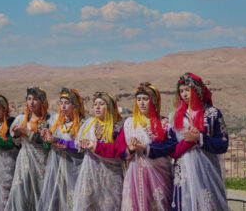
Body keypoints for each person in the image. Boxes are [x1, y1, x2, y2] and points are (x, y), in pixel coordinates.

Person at [82, 82, 176, 211]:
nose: (141, 103)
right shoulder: (130, 123)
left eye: (145, 99)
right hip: (135, 176)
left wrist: (145, 148)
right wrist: (130, 149)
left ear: (153, 101)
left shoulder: (165, 123)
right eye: (139, 100)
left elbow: (170, 146)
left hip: (159, 175)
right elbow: (120, 152)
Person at [169, 73, 229, 211]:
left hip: (207, 171)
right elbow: (171, 149)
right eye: (181, 91)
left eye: (187, 90)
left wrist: (199, 139)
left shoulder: (213, 113)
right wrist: (186, 142)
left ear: (196, 90)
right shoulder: (175, 116)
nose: (184, 94)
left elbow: (223, 144)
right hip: (183, 173)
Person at [73, 91, 123, 211]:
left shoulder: (117, 127)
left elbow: (118, 151)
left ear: (109, 107)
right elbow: (77, 144)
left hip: (110, 176)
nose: (97, 107)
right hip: (89, 175)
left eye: (101, 104)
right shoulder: (89, 124)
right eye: (95, 104)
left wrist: (94, 146)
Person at [37, 88, 86, 211]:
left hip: (74, 169)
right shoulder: (55, 122)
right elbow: (48, 146)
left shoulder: (83, 124)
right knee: (54, 199)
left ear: (75, 105)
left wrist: (58, 141)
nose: (63, 106)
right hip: (56, 169)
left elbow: (81, 146)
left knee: (72, 200)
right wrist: (46, 138)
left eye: (67, 102)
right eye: (61, 102)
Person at [5, 87, 51, 211]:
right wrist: (16, 134)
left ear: (42, 101)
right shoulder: (21, 119)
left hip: (42, 164)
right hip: (24, 163)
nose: (31, 102)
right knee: (21, 194)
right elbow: (16, 142)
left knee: (40, 195)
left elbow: (45, 143)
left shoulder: (48, 121)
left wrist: (26, 131)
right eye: (29, 99)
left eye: (35, 99)